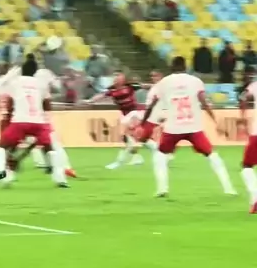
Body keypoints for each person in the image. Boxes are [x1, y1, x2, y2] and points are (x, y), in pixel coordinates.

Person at [142, 56, 236, 198]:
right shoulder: (195, 81)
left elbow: (152, 104)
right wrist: (215, 121)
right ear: (185, 67)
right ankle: (229, 188)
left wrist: (143, 122)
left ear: (171, 67)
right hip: (193, 127)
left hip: (173, 128)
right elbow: (204, 103)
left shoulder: (164, 82)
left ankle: (162, 189)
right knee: (212, 155)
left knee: (160, 155)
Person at [0, 55, 68, 188]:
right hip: (38, 122)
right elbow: (47, 104)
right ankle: (59, 178)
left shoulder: (15, 82)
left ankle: (3, 173)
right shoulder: (41, 84)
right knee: (50, 149)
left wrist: (11, 73)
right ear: (35, 72)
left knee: (1, 148)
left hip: (20, 121)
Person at [103, 71, 163, 170]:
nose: (116, 79)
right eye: (115, 77)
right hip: (127, 115)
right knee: (136, 139)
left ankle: (119, 162)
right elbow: (101, 95)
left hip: (135, 113)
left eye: (118, 76)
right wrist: (90, 101)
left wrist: (156, 85)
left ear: (123, 78)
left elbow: (144, 86)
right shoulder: (111, 90)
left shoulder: (130, 86)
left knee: (129, 137)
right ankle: (149, 155)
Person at [239, 79, 257, 213]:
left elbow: (243, 97)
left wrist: (243, 115)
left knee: (247, 166)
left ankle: (255, 198)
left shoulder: (255, 85)